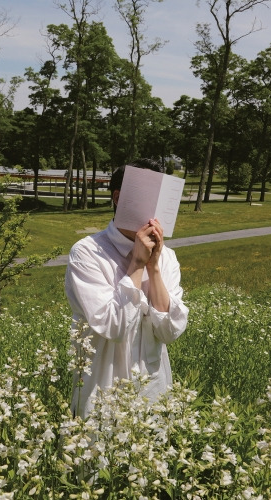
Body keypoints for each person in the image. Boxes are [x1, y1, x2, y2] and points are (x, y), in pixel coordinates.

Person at [65, 158, 189, 418]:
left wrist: (153, 267)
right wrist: (137, 263)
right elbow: (113, 326)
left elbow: (169, 332)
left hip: (153, 386)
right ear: (118, 197)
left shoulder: (167, 257)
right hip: (103, 385)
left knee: (151, 454)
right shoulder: (87, 253)